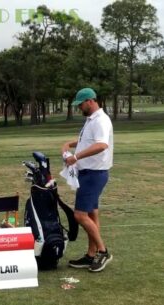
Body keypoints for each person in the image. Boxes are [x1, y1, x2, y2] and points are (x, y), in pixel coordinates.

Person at [61, 88, 113, 272]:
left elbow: (101, 144)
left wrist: (76, 157)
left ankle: (103, 251)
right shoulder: (91, 120)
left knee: (80, 215)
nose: (79, 108)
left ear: (90, 101)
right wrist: (70, 144)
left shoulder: (100, 120)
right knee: (92, 215)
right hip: (89, 173)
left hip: (93, 174)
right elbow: (88, 140)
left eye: (81, 104)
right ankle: (91, 255)